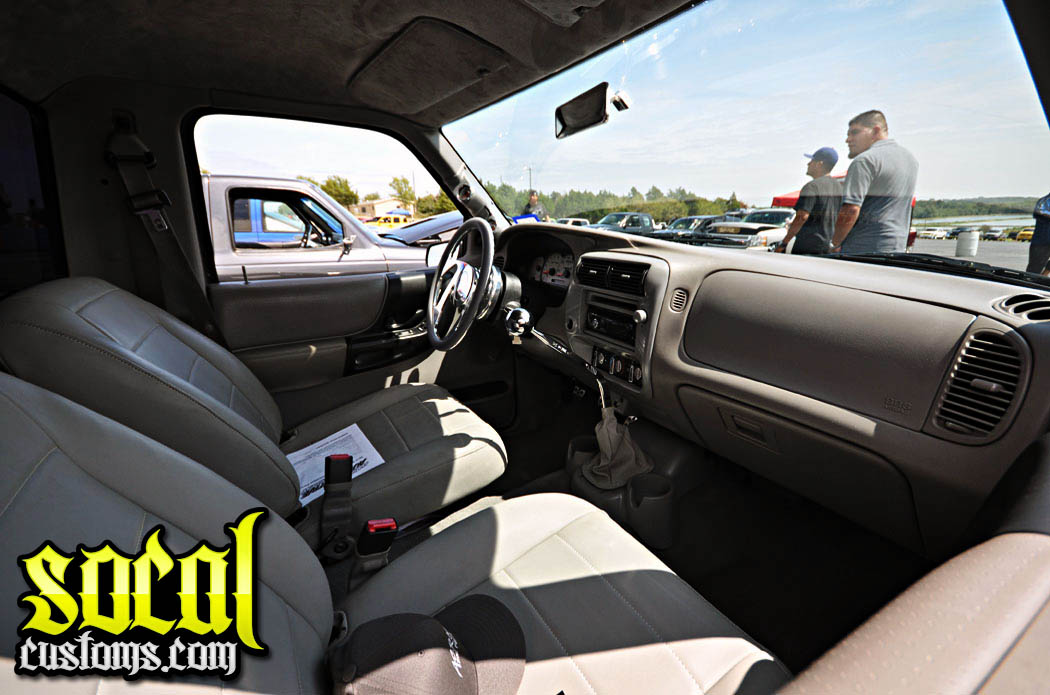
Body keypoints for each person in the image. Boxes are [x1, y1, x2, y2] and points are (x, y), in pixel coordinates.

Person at [830, 110, 918, 253]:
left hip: (862, 248)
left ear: (875, 131)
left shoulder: (865, 160)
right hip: (897, 246)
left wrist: (833, 243)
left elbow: (851, 209)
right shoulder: (910, 159)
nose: (848, 139)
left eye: (854, 133)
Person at [777, 147, 842, 255]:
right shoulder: (839, 187)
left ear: (819, 164)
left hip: (807, 247)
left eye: (812, 160)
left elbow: (802, 216)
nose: (808, 164)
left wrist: (784, 243)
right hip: (827, 248)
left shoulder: (812, 186)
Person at [1026, 192, 1050, 275]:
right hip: (1042, 242)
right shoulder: (1045, 201)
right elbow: (1040, 214)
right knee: (1034, 271)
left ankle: (1043, 276)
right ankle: (1033, 281)